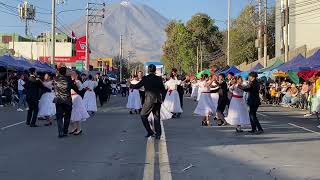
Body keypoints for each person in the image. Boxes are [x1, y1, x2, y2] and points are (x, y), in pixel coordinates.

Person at [130, 64, 166, 140]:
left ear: (148, 70)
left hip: (149, 100)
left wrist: (131, 85)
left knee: (143, 115)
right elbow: (163, 89)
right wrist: (163, 99)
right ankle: (158, 134)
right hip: (157, 100)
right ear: (155, 70)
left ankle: (150, 131)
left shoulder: (146, 78)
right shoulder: (158, 78)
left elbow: (138, 85)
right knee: (156, 117)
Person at [53, 67, 78, 138]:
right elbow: (75, 88)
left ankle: (60, 132)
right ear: (65, 72)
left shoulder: (55, 79)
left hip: (58, 99)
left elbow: (54, 88)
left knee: (59, 117)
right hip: (67, 100)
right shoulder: (69, 79)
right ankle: (65, 131)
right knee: (67, 116)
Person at [69, 71, 90, 136]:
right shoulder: (70, 81)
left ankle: (79, 129)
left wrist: (75, 82)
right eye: (71, 74)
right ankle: (74, 128)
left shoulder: (78, 81)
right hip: (71, 97)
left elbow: (80, 88)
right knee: (71, 114)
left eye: (73, 74)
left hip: (76, 97)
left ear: (77, 75)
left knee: (77, 113)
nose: (72, 75)